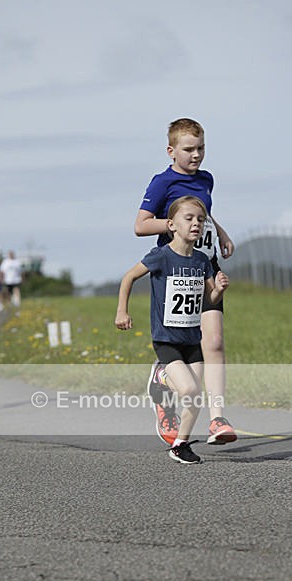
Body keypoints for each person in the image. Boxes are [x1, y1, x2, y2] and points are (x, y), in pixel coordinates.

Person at [134, 117, 237, 446]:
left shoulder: (206, 179)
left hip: (205, 261)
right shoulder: (162, 182)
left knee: (215, 340)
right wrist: (176, 225)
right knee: (182, 343)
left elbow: (202, 210)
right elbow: (141, 225)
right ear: (171, 150)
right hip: (177, 273)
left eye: (201, 148)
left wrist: (219, 231)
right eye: (189, 149)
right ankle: (163, 382)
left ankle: (218, 418)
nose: (196, 155)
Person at [116, 196, 229, 464]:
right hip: (167, 340)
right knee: (188, 390)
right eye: (188, 219)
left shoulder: (203, 261)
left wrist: (219, 290)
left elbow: (208, 301)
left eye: (200, 220)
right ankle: (162, 378)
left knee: (194, 397)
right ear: (171, 225)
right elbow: (129, 277)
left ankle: (181, 445)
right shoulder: (161, 256)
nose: (196, 224)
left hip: (192, 339)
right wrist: (122, 310)